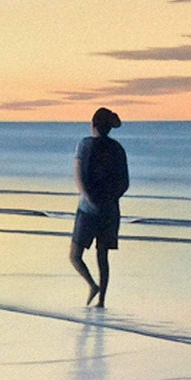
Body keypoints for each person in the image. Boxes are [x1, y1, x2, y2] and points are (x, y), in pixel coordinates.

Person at [70, 106, 128, 307]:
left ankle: (93, 286)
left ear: (93, 124)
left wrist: (90, 198)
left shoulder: (84, 144)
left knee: (75, 256)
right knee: (102, 257)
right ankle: (101, 300)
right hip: (110, 210)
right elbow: (124, 183)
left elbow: (78, 177)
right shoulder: (117, 149)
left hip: (88, 209)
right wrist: (109, 200)